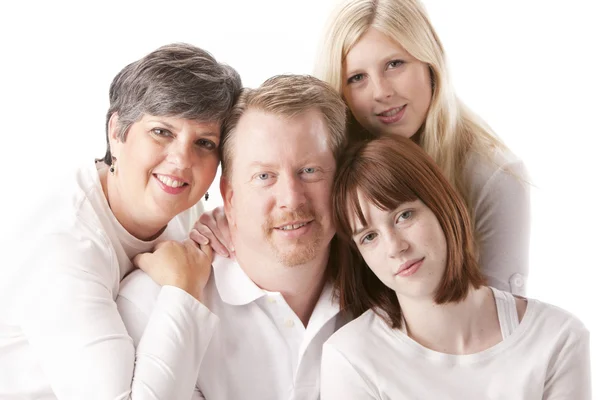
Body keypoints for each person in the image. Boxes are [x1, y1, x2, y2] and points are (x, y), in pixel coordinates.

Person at [195, 0, 530, 295]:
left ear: (430, 63)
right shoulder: (333, 155)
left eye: (395, 64)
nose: (381, 92)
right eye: (357, 77)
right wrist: (231, 221)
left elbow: (499, 322)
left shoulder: (493, 176)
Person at [0, 43, 242, 399]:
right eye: (162, 132)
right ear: (117, 131)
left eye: (204, 143)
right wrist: (184, 289)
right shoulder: (63, 240)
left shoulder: (176, 206)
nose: (181, 160)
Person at [116, 74, 350, 400]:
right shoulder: (149, 304)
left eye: (310, 171)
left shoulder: (380, 289)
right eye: (264, 176)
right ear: (229, 196)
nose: (292, 198)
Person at [320, 134, 591, 399]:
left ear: (442, 206)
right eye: (369, 237)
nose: (395, 248)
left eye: (404, 216)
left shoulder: (557, 338)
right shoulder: (352, 358)